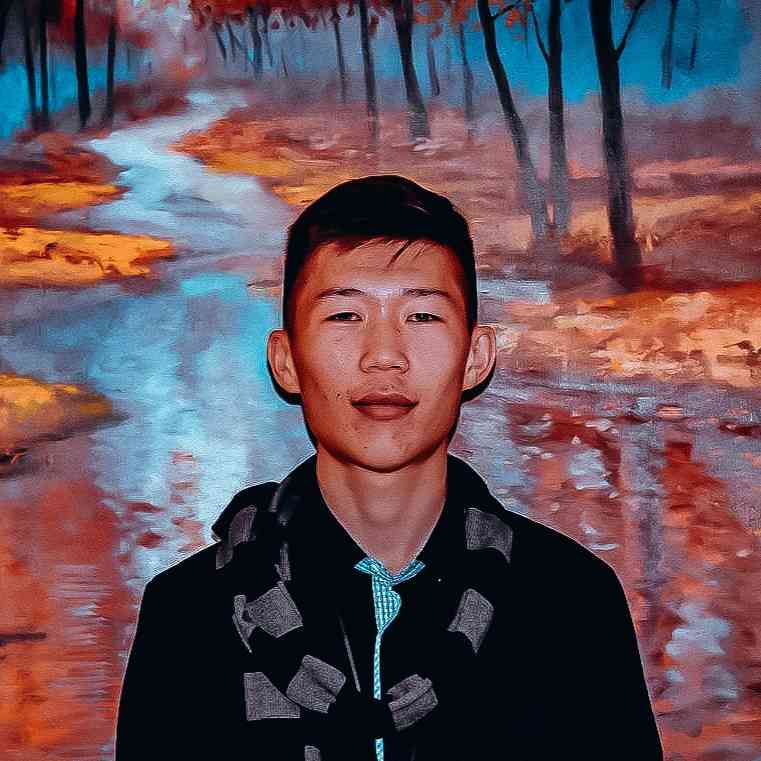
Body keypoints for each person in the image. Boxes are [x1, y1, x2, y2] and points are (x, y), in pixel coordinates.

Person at [114, 175, 664, 761]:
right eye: (344, 316)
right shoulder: (191, 612)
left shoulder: (570, 602)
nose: (384, 356)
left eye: (422, 316)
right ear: (287, 360)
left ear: (476, 356)